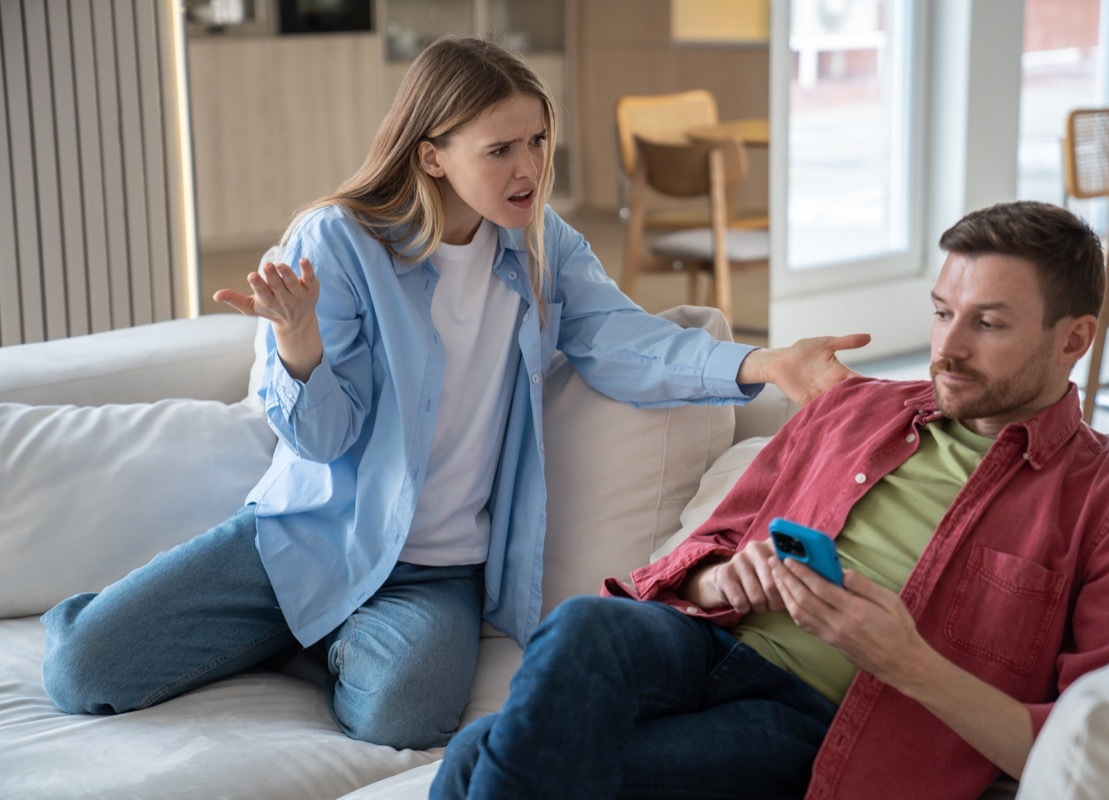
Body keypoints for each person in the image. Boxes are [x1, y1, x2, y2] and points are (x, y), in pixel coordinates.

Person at [37, 37, 866, 752]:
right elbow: (322, 443)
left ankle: (309, 636)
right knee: (84, 671)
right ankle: (264, 617)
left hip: (434, 571)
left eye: (539, 141)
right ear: (432, 153)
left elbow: (625, 339)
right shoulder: (339, 243)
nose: (530, 167)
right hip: (309, 536)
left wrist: (764, 362)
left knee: (404, 716)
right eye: (499, 148)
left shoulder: (545, 246)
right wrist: (298, 346)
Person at [431, 200, 1109, 799]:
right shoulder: (856, 409)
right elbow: (702, 553)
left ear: (1074, 339)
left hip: (821, 721)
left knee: (478, 755)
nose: (947, 348)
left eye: (988, 324)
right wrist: (720, 579)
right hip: (709, 643)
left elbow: (1100, 749)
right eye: (941, 311)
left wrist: (904, 660)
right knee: (584, 623)